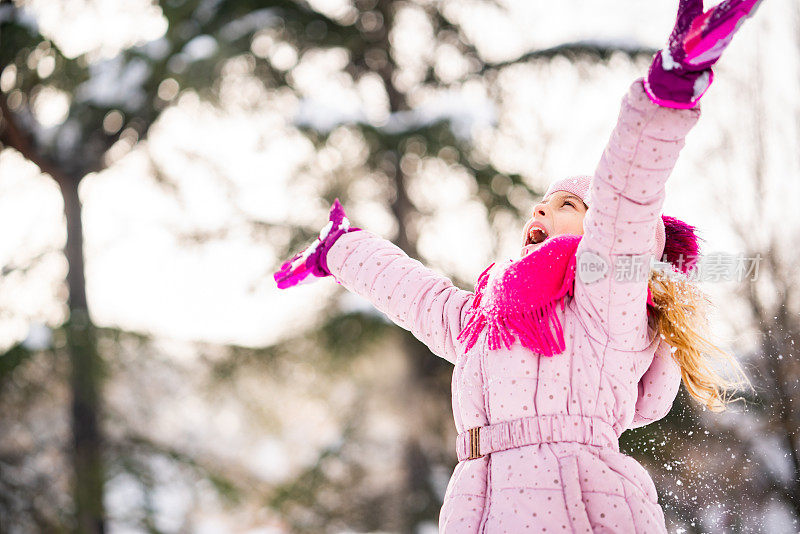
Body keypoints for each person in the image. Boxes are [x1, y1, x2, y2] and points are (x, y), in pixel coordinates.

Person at [274, 0, 761, 531]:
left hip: (579, 502)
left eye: (567, 206)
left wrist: (665, 94)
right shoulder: (487, 319)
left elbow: (627, 197)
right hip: (478, 505)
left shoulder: (606, 295)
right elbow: (416, 294)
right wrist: (341, 249)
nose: (542, 210)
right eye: (541, 205)